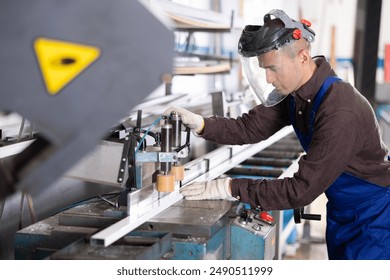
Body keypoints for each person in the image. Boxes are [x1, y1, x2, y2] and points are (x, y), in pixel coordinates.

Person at [164, 9, 390, 260]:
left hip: (375, 218)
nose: (269, 78)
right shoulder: (297, 93)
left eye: (273, 68)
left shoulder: (340, 110)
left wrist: (229, 187)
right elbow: (248, 127)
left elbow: (301, 190)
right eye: (264, 70)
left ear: (303, 57)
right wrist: (201, 124)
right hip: (345, 212)